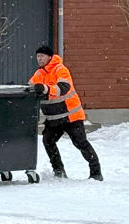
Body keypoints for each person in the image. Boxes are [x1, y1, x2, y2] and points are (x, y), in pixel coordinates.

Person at [29, 45, 102, 181]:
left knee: (81, 143)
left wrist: (45, 88)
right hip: (53, 118)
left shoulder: (60, 70)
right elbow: (30, 89)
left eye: (42, 56)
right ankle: (58, 171)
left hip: (71, 116)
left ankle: (96, 172)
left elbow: (64, 88)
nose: (39, 59)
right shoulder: (38, 74)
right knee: (48, 141)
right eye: (38, 56)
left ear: (50, 57)